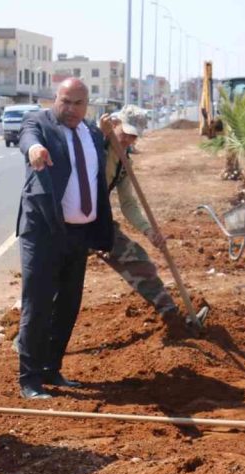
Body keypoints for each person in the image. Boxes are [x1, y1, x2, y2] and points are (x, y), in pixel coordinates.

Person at [16, 77, 114, 400]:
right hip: (43, 230)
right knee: (38, 302)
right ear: (55, 99)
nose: (70, 109)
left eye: (78, 103)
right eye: (65, 101)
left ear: (88, 105)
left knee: (69, 304)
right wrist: (34, 149)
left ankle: (51, 368)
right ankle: (30, 379)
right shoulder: (40, 123)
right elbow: (27, 136)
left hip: (77, 233)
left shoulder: (92, 134)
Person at [95, 105, 207, 328]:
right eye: (124, 133)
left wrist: (149, 231)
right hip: (67, 225)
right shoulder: (94, 144)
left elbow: (128, 204)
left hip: (97, 224)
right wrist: (99, 133)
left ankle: (172, 316)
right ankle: (31, 338)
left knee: (137, 259)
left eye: (133, 136)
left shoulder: (124, 162)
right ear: (114, 124)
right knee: (61, 281)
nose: (127, 140)